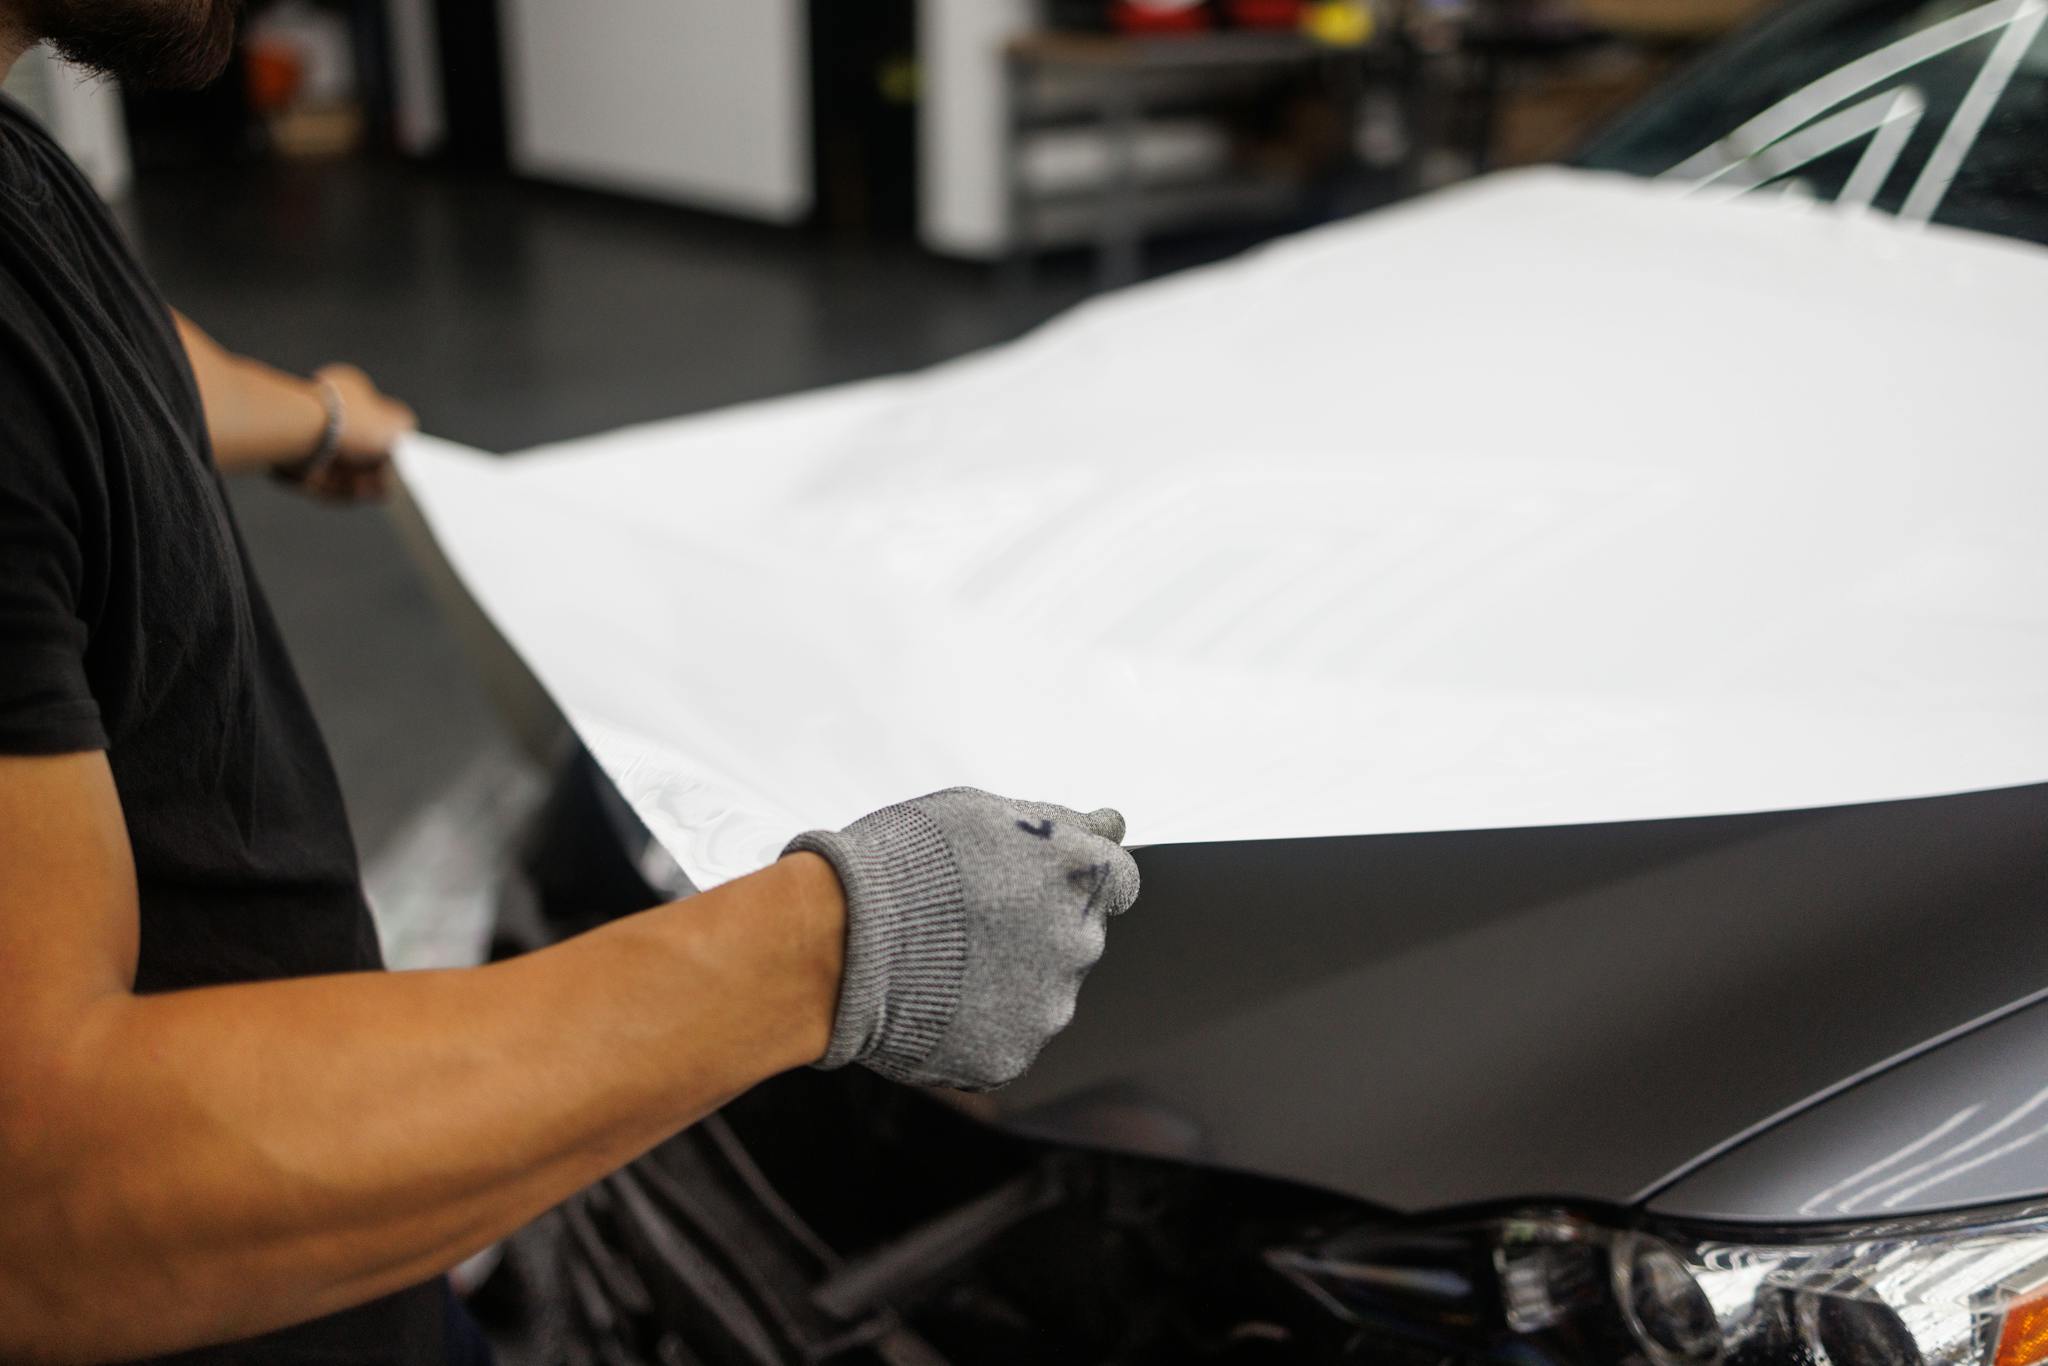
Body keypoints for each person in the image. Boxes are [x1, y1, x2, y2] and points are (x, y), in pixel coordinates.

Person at [0, 5, 1142, 1362]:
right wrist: (839, 944)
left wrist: (305, 412)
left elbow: (76, 355)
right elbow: (45, 1197)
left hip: (343, 1269)